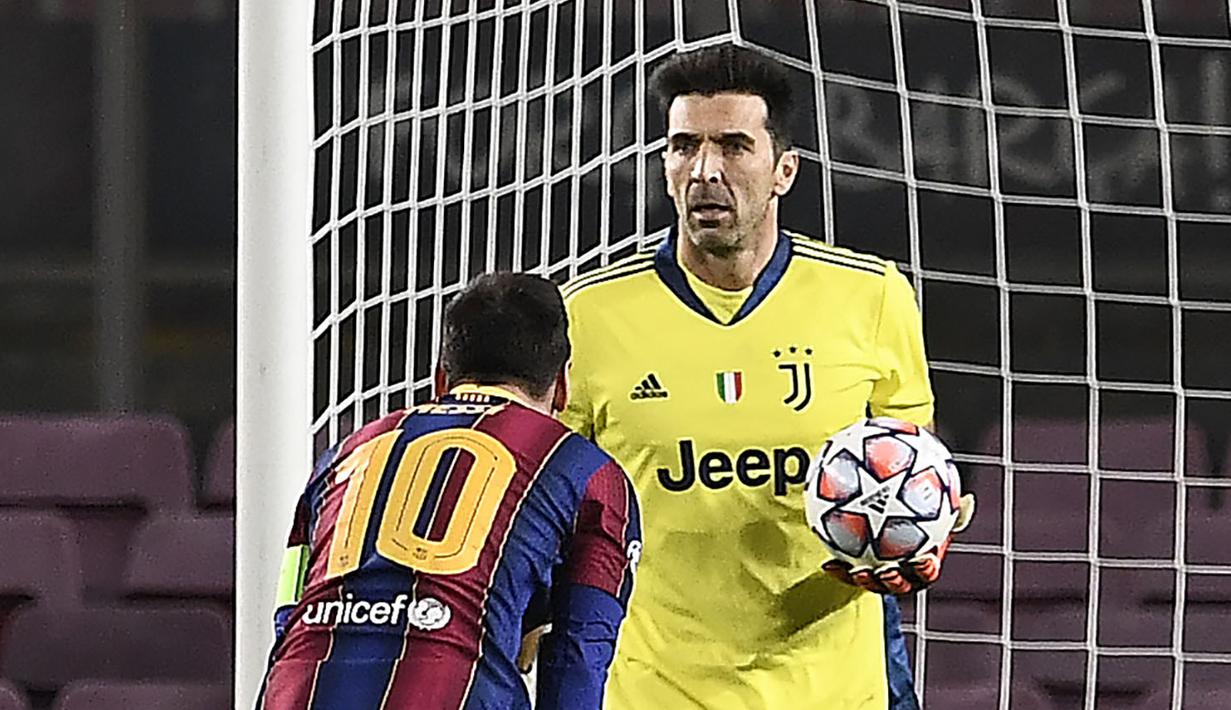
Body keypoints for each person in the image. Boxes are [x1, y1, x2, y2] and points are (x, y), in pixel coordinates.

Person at [560, 43, 973, 709]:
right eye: (682, 146)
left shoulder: (870, 299)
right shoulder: (589, 314)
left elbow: (906, 481)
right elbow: (554, 507)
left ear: (783, 170)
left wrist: (914, 548)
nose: (703, 171)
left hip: (837, 692)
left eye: (731, 146)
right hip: (652, 693)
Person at [258, 272, 642, 710]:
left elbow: (287, 617)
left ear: (441, 379)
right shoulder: (588, 473)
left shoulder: (345, 453)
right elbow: (578, 658)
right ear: (563, 385)